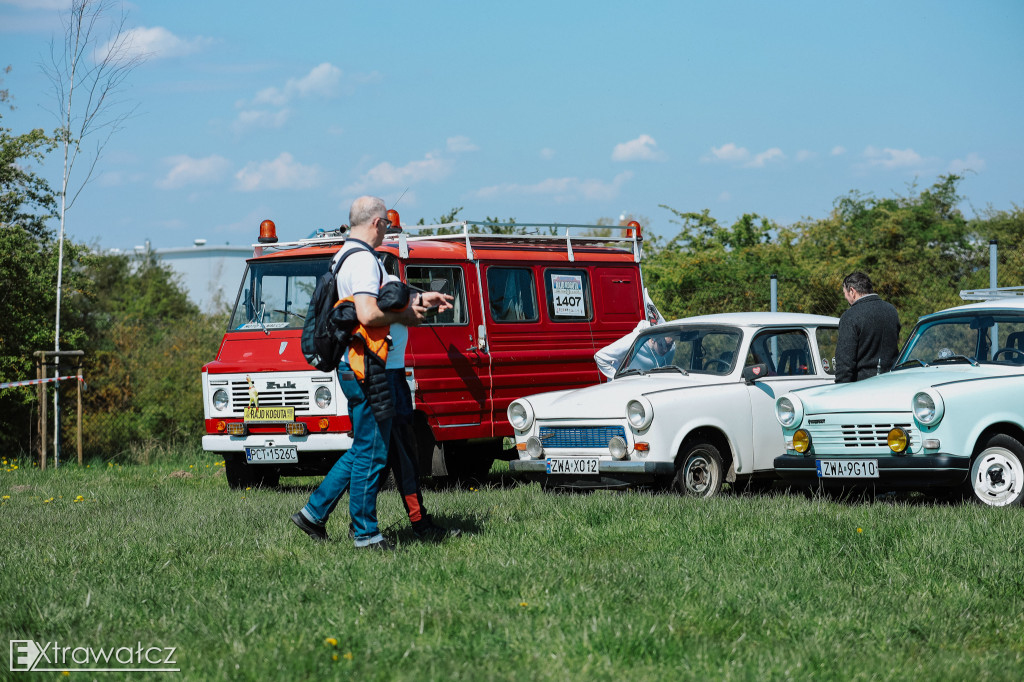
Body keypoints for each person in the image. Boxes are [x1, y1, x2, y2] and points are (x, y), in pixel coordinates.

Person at [290, 196, 452, 550]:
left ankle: (313, 514)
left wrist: (423, 300)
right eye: (387, 227)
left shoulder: (348, 257)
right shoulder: (362, 260)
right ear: (377, 223)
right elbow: (367, 314)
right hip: (368, 368)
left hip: (366, 366)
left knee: (368, 447)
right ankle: (365, 533)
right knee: (373, 452)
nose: (388, 233)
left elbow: (385, 297)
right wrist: (404, 317)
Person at [384, 284, 460, 541]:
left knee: (380, 457)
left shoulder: (371, 273)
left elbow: (402, 304)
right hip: (388, 376)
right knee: (396, 456)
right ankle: (416, 523)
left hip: (385, 374)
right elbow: (396, 304)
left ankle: (328, 515)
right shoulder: (374, 272)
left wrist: (427, 304)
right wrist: (417, 306)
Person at [834, 271, 900, 383]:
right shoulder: (891, 310)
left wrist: (841, 387)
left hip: (863, 386)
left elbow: (845, 362)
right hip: (891, 381)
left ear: (852, 291)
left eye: (845, 293)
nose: (845, 298)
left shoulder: (850, 316)